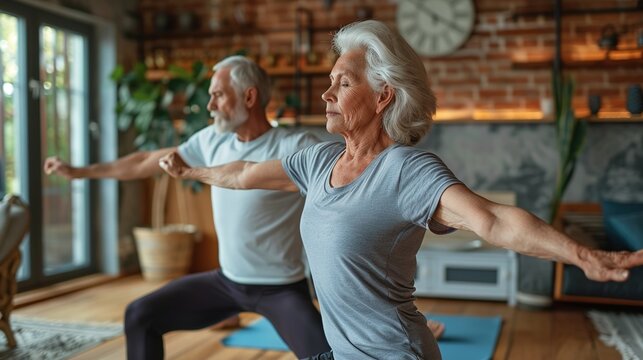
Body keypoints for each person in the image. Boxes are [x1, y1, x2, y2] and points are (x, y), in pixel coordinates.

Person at [158, 20, 643, 360]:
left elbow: (492, 220)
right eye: (330, 82)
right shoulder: (317, 160)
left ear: (382, 95)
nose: (326, 94)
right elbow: (242, 174)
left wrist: (583, 255)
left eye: (342, 83)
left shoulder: (407, 171)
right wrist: (190, 172)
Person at [44, 56, 331, 359]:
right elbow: (145, 161)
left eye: (218, 95)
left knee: (329, 355)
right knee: (140, 315)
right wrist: (81, 172)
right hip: (227, 282)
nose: (209, 105)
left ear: (249, 96)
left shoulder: (295, 146)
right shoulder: (211, 141)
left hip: (280, 288)